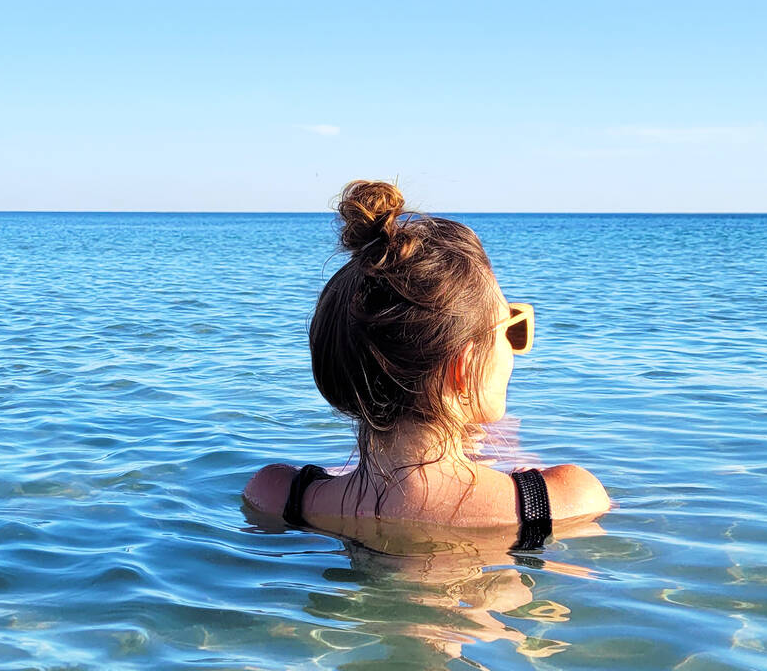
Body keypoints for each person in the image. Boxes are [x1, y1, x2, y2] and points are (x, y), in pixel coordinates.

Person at [243, 180, 610, 549]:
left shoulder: (278, 496)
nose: (515, 349)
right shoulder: (563, 499)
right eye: (511, 329)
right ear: (465, 365)